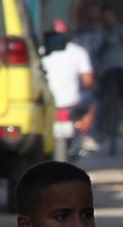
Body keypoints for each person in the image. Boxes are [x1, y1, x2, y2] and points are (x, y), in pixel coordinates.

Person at [42, 22, 97, 159]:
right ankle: (83, 132)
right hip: (71, 102)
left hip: (48, 102)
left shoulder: (42, 51)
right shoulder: (78, 52)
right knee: (93, 102)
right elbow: (88, 82)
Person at [89, 9, 123, 149]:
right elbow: (95, 52)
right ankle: (101, 122)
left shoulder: (122, 32)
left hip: (122, 65)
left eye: (111, 17)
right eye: (106, 18)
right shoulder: (99, 34)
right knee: (102, 94)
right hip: (107, 68)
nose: (109, 20)